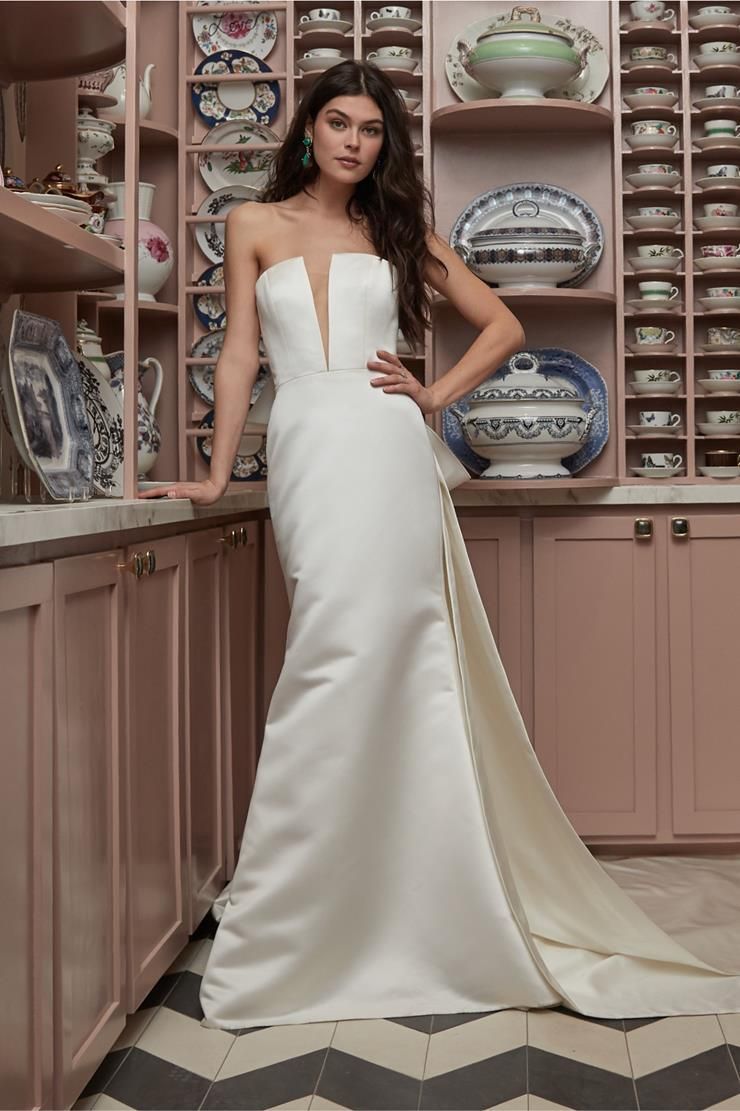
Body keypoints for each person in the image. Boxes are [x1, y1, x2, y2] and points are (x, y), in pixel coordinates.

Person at [142, 60, 740, 1028]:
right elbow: (240, 353)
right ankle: (304, 910)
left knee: (395, 657)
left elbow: (502, 324)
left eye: (371, 129)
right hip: (305, 449)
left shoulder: (395, 231)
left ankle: (412, 899)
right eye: (338, 123)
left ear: (384, 143)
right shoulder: (251, 223)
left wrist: (431, 395)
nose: (353, 142)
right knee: (330, 655)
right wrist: (214, 476)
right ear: (307, 130)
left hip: (386, 451)